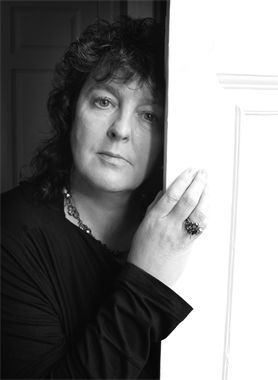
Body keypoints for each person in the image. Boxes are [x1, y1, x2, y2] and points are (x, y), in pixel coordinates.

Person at [1, 17, 208, 379]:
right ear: (71, 110)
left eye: (149, 115)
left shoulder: (184, 227)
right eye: (104, 101)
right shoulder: (11, 231)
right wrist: (146, 277)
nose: (121, 130)